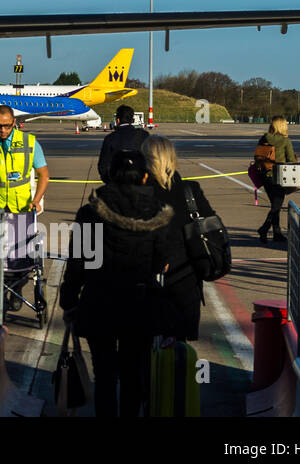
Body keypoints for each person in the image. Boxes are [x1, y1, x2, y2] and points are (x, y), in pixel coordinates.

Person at [59, 148, 174, 417]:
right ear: (145, 177)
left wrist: (69, 300)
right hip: (140, 301)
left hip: (100, 300)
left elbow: (79, 263)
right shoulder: (158, 214)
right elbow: (160, 262)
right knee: (134, 373)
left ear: (111, 176)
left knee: (105, 374)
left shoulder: (90, 212)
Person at [143, 135, 215, 342]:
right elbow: (210, 224)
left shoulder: (140, 193)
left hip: (147, 278)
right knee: (178, 349)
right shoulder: (189, 191)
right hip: (185, 276)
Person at [257, 116, 298, 244]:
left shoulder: (264, 138)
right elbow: (291, 160)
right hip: (279, 176)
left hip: (265, 175)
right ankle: (264, 228)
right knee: (276, 206)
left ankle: (277, 232)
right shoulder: (285, 141)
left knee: (275, 205)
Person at [98, 105, 148, 183]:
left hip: (117, 184)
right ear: (133, 120)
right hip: (139, 184)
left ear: (118, 120)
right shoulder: (143, 135)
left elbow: (103, 166)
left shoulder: (110, 138)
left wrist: (111, 183)